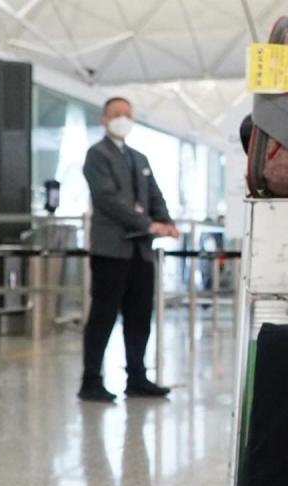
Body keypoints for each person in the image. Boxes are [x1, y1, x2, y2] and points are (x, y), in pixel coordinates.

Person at [79, 97, 180, 402]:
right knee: (103, 316)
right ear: (104, 119)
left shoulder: (139, 158)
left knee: (139, 316)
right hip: (112, 251)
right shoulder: (96, 156)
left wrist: (166, 222)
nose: (123, 119)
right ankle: (91, 380)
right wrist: (149, 225)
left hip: (141, 253)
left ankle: (137, 377)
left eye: (127, 114)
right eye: (116, 114)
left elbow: (154, 194)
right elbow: (109, 200)